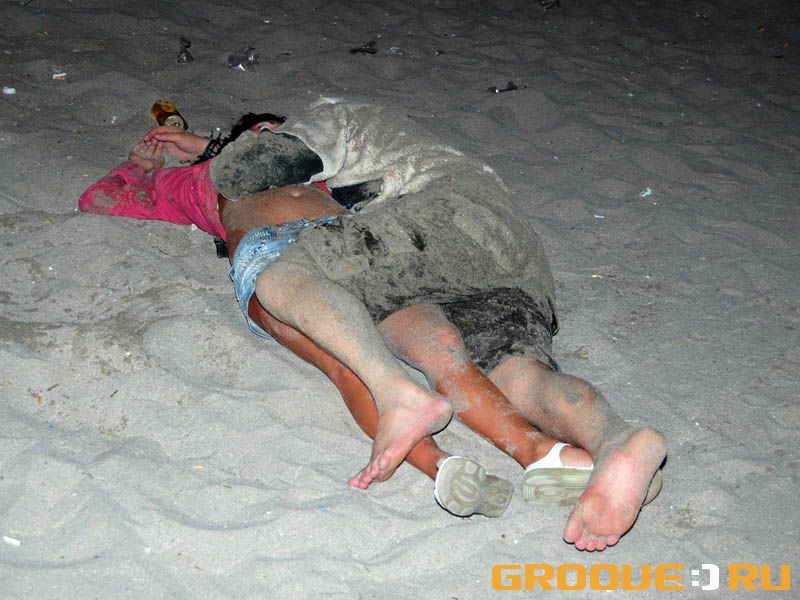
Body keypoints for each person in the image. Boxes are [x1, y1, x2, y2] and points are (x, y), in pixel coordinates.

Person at [81, 102, 666, 551]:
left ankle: (503, 445)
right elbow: (102, 200)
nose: (273, 136)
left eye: (279, 130)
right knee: (394, 359)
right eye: (261, 130)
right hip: (320, 256)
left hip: (348, 250)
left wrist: (217, 145)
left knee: (402, 348)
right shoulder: (202, 182)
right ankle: (490, 460)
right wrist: (143, 165)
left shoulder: (322, 160)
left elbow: (283, 157)